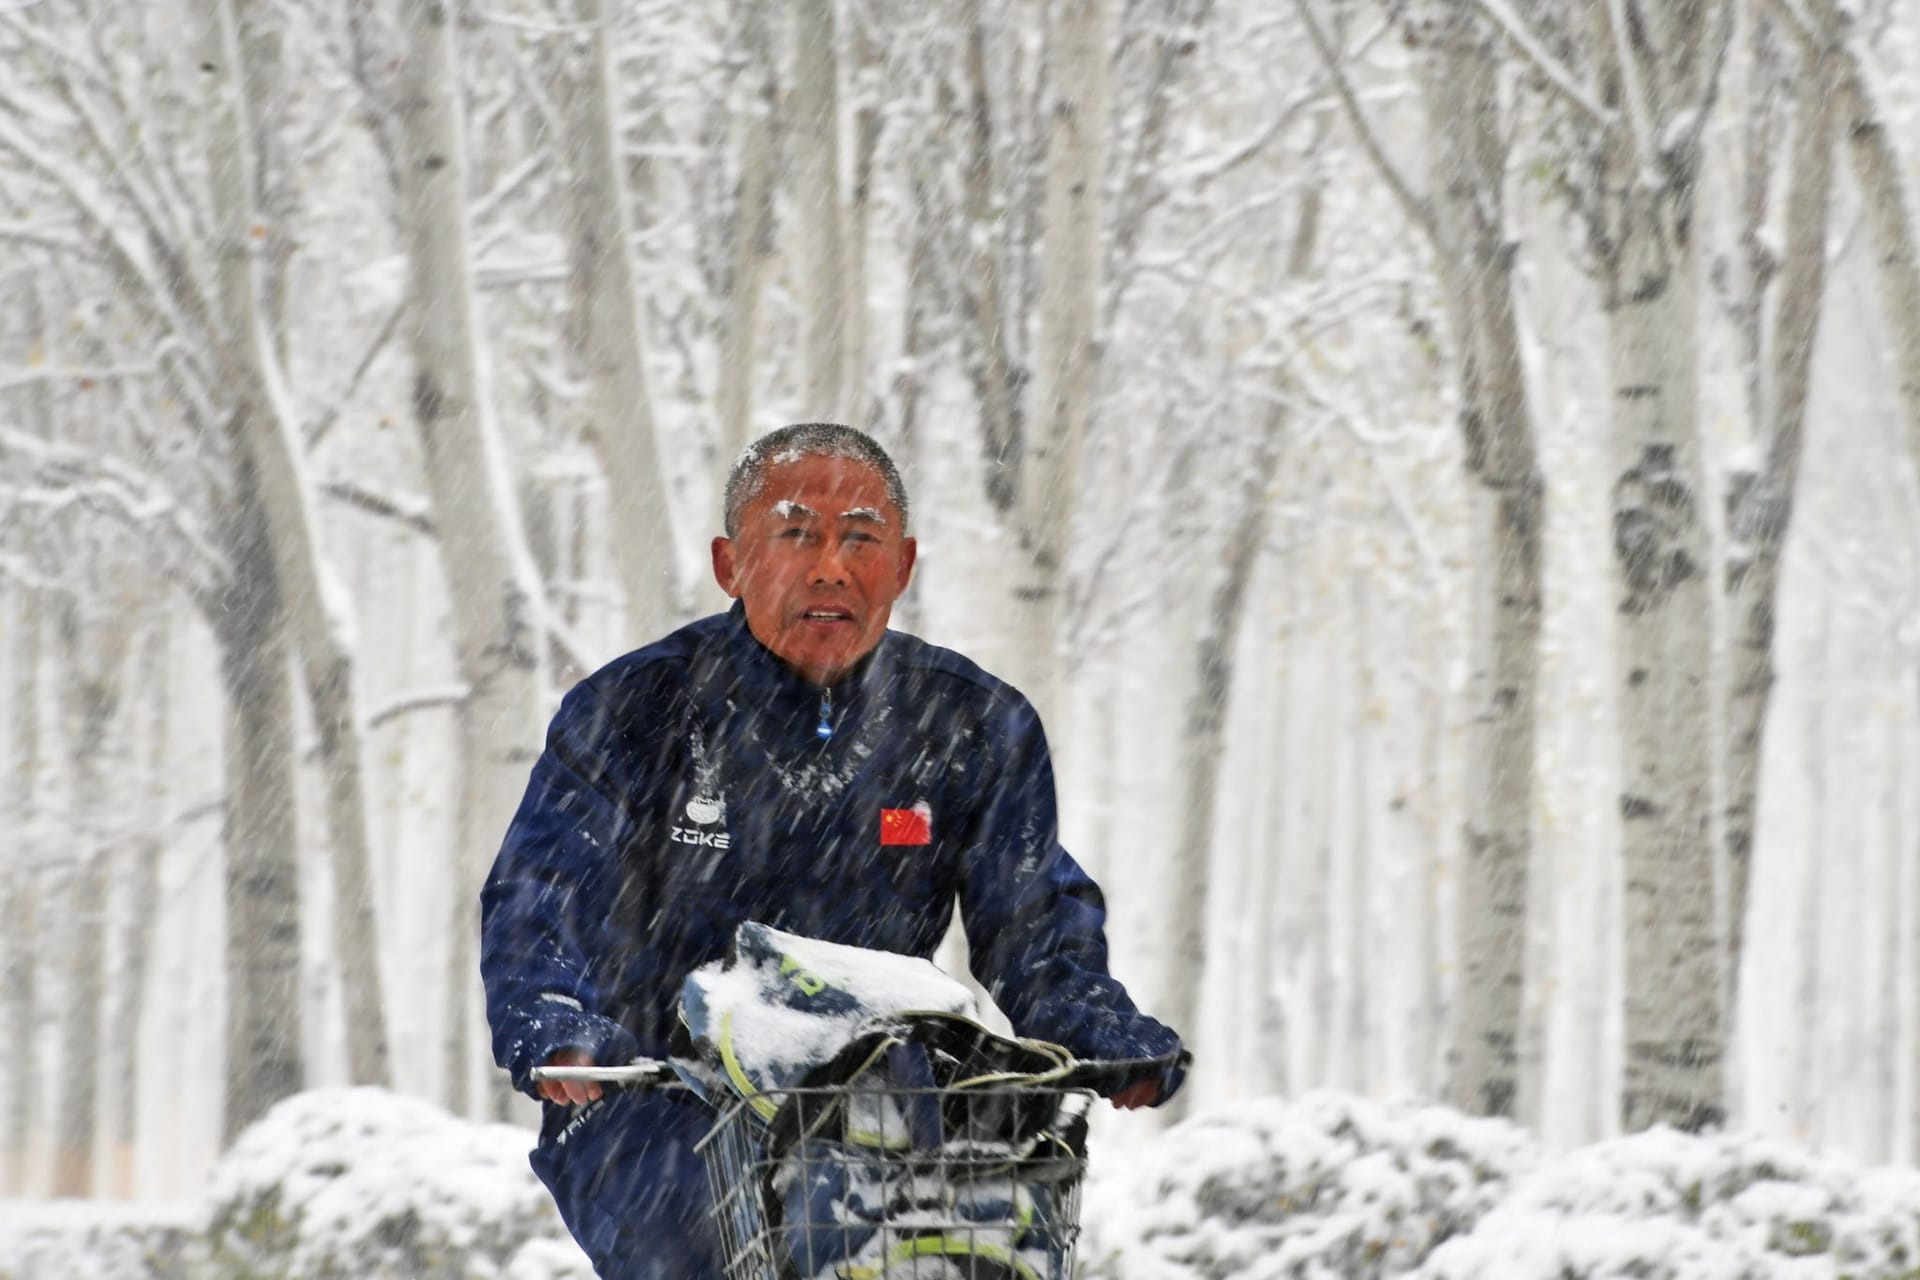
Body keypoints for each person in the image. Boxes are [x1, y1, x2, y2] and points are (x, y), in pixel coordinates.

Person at [480, 423, 1186, 1280]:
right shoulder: (632, 708)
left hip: (880, 1109)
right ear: (729, 564)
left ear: (903, 563)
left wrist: (1096, 1026)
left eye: (860, 537)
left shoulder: (974, 724)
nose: (829, 566)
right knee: (708, 1242)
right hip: (658, 1107)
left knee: (987, 1246)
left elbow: (1034, 925)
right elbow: (538, 893)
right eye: (794, 534)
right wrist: (553, 1021)